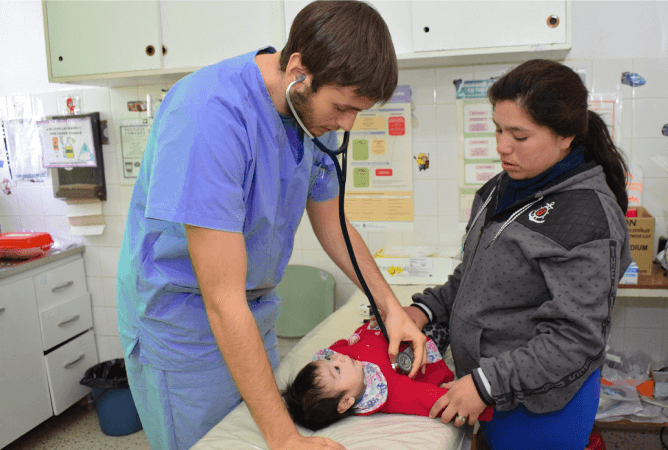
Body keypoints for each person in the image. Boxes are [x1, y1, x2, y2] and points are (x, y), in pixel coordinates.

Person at [116, 2, 428, 450]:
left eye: (357, 111)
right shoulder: (209, 116)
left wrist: (390, 306)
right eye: (342, 108)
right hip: (185, 328)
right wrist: (284, 437)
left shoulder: (308, 116)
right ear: (298, 71)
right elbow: (221, 299)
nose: (347, 124)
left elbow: (334, 226)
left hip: (252, 314)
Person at [404, 59, 633, 450]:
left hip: (541, 410)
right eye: (497, 129)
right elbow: (473, 277)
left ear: (565, 137)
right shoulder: (501, 187)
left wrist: (486, 383)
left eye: (519, 136)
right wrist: (423, 311)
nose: (501, 146)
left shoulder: (586, 217)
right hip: (488, 390)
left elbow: (575, 339)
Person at [282, 322, 494, 430]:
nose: (339, 359)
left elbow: (343, 345)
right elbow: (430, 398)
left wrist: (372, 326)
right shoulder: (390, 392)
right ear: (346, 402)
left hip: (395, 328)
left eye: (330, 360)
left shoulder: (345, 362)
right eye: (336, 369)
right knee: (452, 322)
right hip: (424, 343)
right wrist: (483, 398)